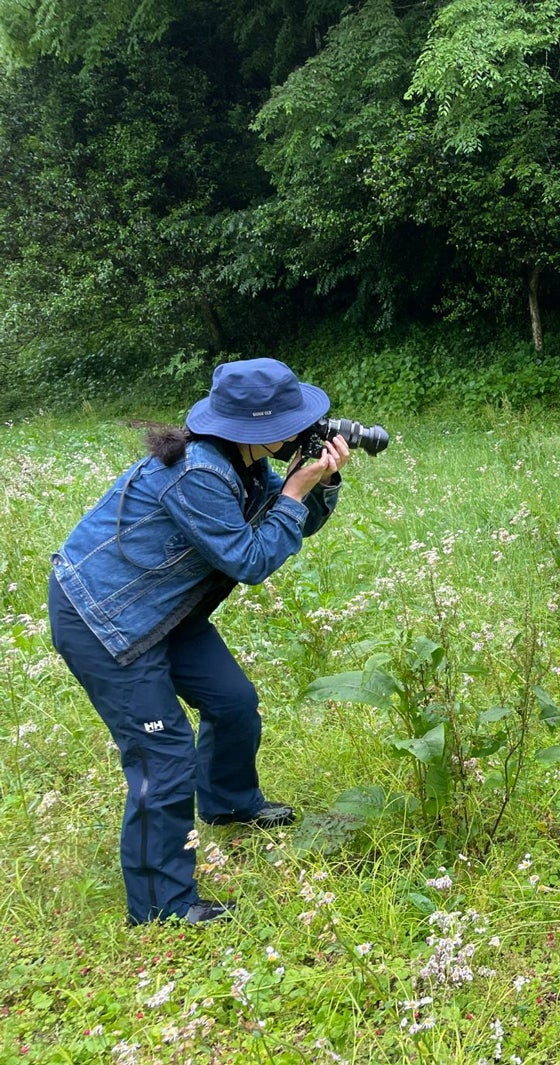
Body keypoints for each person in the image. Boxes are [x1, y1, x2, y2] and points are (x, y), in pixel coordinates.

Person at [48, 358, 351, 925]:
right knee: (163, 757)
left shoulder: (244, 463)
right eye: (294, 421)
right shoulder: (197, 473)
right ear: (258, 429)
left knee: (233, 702)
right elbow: (251, 558)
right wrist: (295, 491)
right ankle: (162, 906)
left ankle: (229, 803)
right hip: (103, 619)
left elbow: (286, 523)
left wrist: (319, 483)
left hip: (166, 612)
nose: (305, 429)